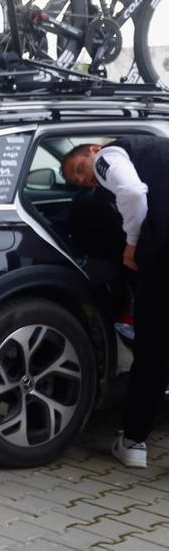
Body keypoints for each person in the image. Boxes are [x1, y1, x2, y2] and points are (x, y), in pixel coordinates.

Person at [63, 136, 169, 469]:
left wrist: (132, 243)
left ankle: (134, 442)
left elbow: (133, 192)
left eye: (80, 168)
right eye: (76, 180)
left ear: (93, 149)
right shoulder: (158, 151)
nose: (84, 178)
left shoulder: (108, 155)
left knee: (153, 351)